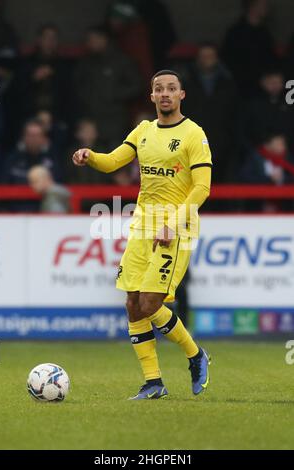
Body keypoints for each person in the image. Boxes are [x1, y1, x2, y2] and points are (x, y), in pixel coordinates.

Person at [72, 70, 212, 400]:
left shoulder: (194, 134)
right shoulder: (144, 130)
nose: (165, 93)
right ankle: (153, 382)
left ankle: (196, 355)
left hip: (175, 228)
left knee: (151, 303)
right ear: (151, 97)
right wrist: (90, 157)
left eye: (171, 89)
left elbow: (203, 187)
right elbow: (111, 163)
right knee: (133, 303)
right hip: (142, 226)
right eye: (158, 89)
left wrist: (174, 223)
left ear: (182, 95)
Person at [178, 43, 238, 182]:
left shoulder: (227, 83)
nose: (207, 59)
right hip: (191, 144)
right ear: (197, 59)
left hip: (221, 145)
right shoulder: (185, 82)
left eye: (210, 56)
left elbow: (233, 115)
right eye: (203, 56)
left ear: (217, 59)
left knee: (219, 185)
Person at [74, 26, 141, 147]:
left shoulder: (121, 60)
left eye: (92, 40)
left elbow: (137, 86)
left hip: (114, 120)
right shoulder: (86, 62)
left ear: (103, 39)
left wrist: (114, 94)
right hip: (92, 118)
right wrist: (87, 98)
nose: (90, 43)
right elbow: (78, 85)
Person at [222, 0, 275, 97]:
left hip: (265, 87)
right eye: (263, 5)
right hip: (242, 88)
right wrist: (258, 79)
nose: (266, 8)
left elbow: (270, 59)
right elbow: (231, 63)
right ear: (252, 7)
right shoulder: (235, 34)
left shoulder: (265, 33)